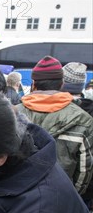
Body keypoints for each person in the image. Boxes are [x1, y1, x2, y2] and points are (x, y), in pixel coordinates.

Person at [17, 55, 93, 195]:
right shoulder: (83, 119)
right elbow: (84, 170)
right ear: (62, 84)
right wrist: (71, 196)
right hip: (59, 196)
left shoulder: (13, 113)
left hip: (17, 195)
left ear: (33, 84)